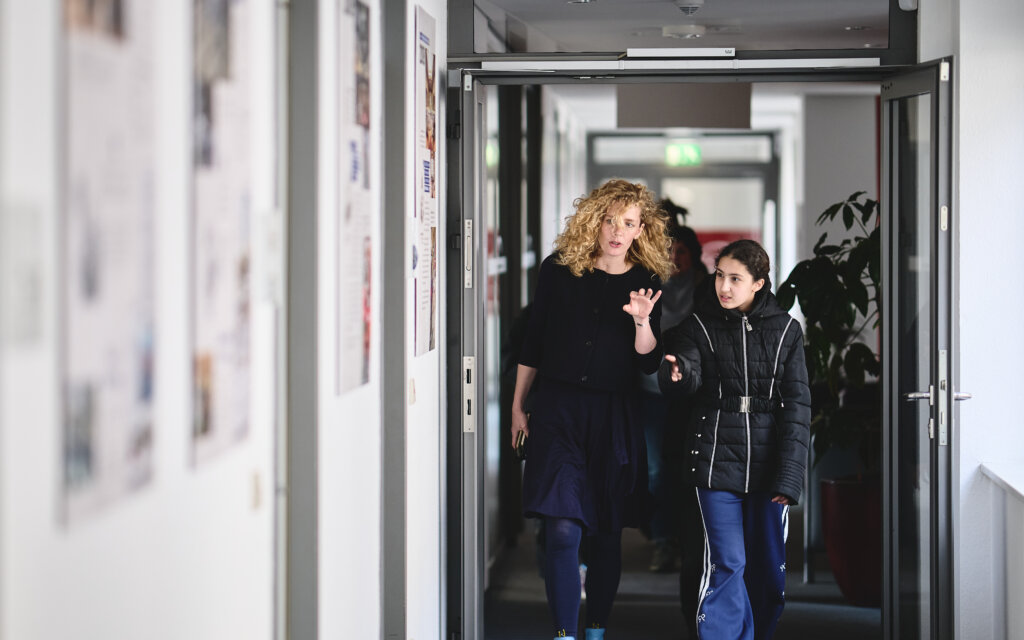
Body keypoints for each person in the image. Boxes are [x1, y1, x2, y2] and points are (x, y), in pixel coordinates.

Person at [512, 179, 673, 640]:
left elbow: (647, 361)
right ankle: (564, 633)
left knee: (604, 532)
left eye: (628, 223)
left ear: (641, 229)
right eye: (609, 220)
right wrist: (518, 407)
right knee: (562, 530)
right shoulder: (558, 270)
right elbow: (534, 343)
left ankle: (596, 628)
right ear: (594, 220)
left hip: (613, 416)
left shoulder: (647, 281)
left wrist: (643, 320)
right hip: (558, 410)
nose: (617, 232)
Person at [658, 239, 810, 640]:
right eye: (720, 276)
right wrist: (678, 373)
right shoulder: (700, 324)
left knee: (765, 573)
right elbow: (685, 366)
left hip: (769, 467)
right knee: (726, 564)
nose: (724, 287)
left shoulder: (787, 331)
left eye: (735, 279)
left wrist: (790, 475)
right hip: (713, 463)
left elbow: (797, 406)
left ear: (759, 283)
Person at [637, 200, 708, 575]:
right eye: (670, 251)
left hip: (693, 397)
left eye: (682, 252)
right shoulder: (649, 287)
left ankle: (690, 540)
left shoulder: (709, 290)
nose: (675, 258)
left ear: (694, 255)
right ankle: (662, 541)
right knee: (654, 472)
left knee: (688, 468)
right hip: (650, 395)